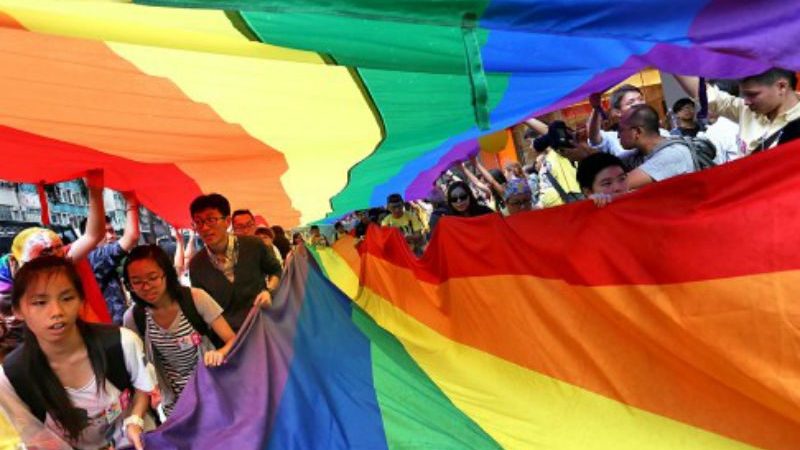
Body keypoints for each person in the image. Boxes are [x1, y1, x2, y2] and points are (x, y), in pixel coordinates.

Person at [0, 256, 154, 450]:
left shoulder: (122, 342)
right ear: (18, 310)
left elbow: (142, 387)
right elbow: (35, 436)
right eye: (40, 302)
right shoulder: (11, 377)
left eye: (67, 298)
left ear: (81, 301)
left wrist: (135, 419)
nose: (56, 311)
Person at [122, 245, 236, 418]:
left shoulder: (196, 298)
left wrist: (220, 353)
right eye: (136, 282)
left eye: (152, 278)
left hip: (213, 388)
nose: (146, 287)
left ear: (167, 274)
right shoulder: (134, 317)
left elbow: (232, 339)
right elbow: (139, 366)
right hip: (174, 402)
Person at [188, 194, 281, 331]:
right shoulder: (196, 265)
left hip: (263, 325)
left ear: (227, 221)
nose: (205, 228)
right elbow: (203, 307)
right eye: (198, 222)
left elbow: (276, 270)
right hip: (228, 338)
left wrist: (269, 291)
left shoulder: (253, 245)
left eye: (211, 220)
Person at [675, 69, 800, 152]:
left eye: (752, 94)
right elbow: (704, 94)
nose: (746, 101)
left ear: (781, 87)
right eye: (744, 95)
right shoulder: (746, 111)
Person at [81, 192, 140, 325]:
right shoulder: (95, 257)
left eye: (111, 231)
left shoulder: (99, 260)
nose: (110, 236)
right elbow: (131, 237)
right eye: (103, 232)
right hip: (109, 332)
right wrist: (131, 202)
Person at [618, 104, 697, 189]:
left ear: (637, 132)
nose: (618, 135)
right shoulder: (641, 153)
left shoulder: (672, 154)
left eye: (621, 130)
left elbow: (619, 186)